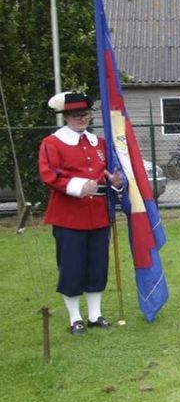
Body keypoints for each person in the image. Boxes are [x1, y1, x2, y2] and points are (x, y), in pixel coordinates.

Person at [37, 91, 123, 336]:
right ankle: (75, 318)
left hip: (98, 214)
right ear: (66, 116)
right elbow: (49, 174)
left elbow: (110, 173)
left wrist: (116, 181)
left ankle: (95, 315)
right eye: (75, 115)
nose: (80, 118)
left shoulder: (99, 143)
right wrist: (77, 186)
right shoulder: (52, 143)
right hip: (69, 216)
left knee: (97, 265)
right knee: (72, 267)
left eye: (84, 114)